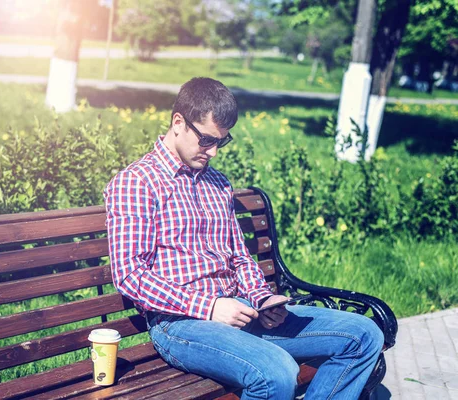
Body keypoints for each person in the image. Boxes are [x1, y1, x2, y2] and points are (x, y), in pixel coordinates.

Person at [103, 77, 384, 400]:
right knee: (276, 373)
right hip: (181, 324)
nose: (213, 152)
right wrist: (209, 307)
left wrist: (263, 298)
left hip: (243, 311)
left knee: (363, 335)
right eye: (206, 140)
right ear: (178, 122)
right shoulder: (136, 183)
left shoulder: (217, 183)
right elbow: (130, 276)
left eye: (221, 142)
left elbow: (238, 256)